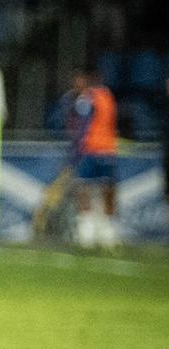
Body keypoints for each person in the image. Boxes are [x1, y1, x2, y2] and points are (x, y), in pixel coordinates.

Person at [64, 68, 120, 250]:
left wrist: (74, 153)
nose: (76, 85)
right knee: (107, 189)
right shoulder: (108, 96)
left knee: (85, 188)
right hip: (108, 149)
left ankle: (88, 232)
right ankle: (106, 231)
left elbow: (81, 128)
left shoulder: (86, 99)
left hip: (90, 149)